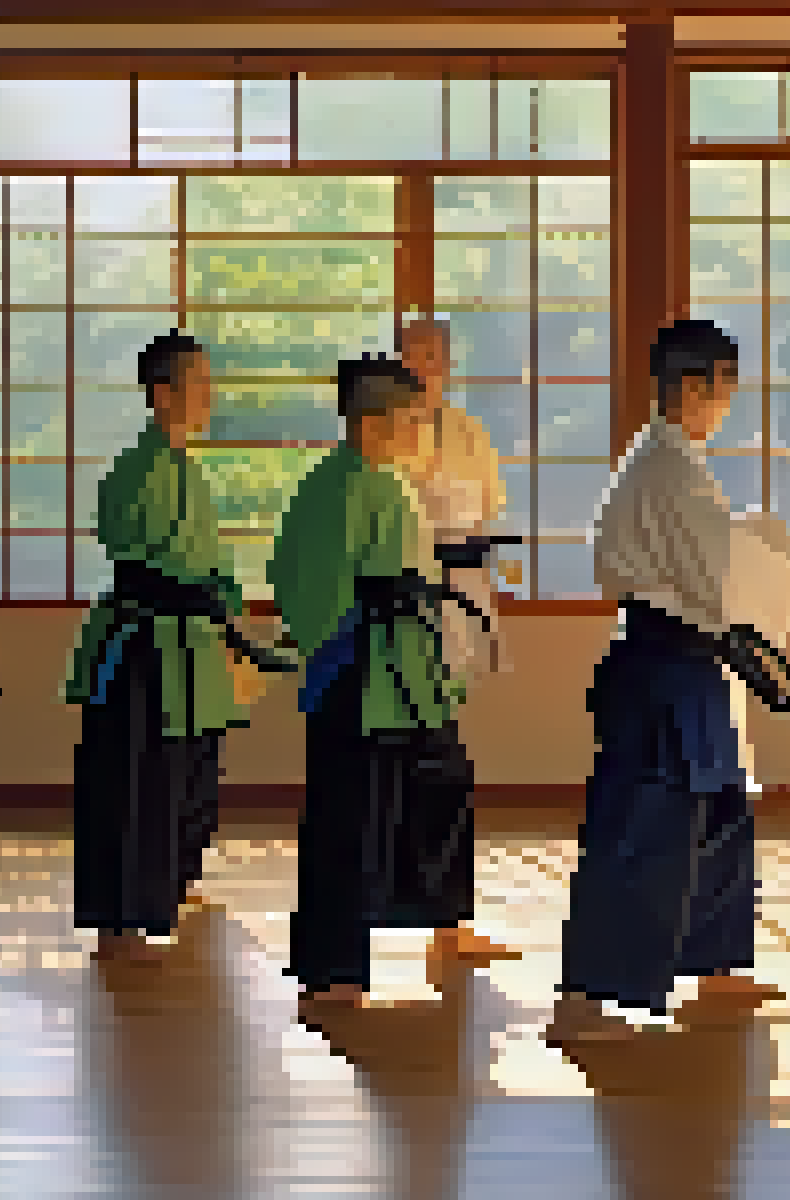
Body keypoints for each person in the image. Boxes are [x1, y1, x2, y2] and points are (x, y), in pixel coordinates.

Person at [546, 318, 790, 1048]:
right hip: (661, 667)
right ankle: (584, 998)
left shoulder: (672, 462)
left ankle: (716, 962)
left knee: (721, 815)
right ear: (694, 387)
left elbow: (711, 564)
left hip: (684, 664)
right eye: (724, 386)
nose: (728, 402)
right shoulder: (665, 470)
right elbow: (717, 576)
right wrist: (769, 551)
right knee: (638, 829)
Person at [272, 354, 516, 1011]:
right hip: (358, 672)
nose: (421, 431)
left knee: (436, 792)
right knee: (346, 819)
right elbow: (310, 589)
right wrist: (347, 650)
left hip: (404, 667)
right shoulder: (337, 488)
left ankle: (438, 923)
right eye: (412, 419)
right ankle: (332, 969)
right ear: (373, 422)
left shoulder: (389, 484)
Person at [63, 332, 268, 963]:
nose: (210, 395)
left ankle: (166, 890)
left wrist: (232, 618)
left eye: (210, 382)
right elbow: (140, 559)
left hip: (194, 643)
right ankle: (120, 924)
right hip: (148, 640)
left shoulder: (187, 466)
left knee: (192, 776)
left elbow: (209, 563)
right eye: (198, 383)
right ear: (162, 393)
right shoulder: (137, 467)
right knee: (136, 780)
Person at [395, 315, 514, 679]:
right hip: (401, 577)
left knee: (453, 687)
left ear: (447, 364)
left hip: (462, 577)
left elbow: (486, 517)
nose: (421, 366)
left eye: (431, 355)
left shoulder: (471, 432)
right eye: (411, 355)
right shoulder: (383, 431)